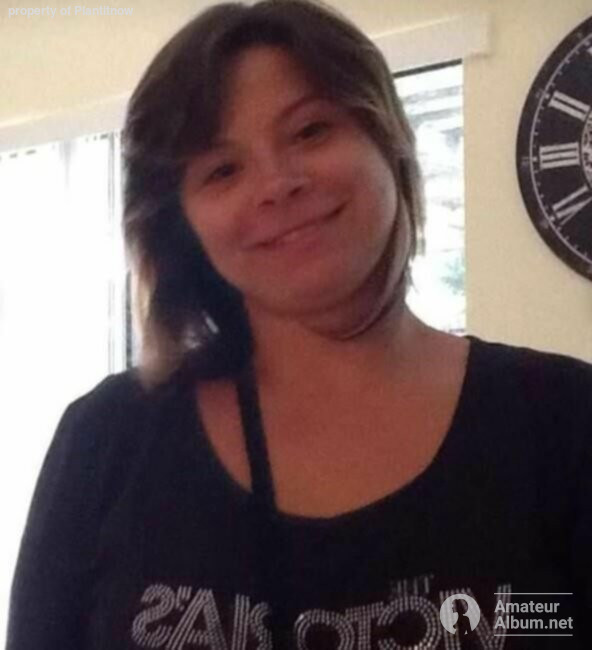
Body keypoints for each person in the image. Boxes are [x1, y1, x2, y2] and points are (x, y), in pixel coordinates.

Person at [6, 1, 592, 648]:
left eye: (311, 131)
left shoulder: (565, 420)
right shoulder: (107, 440)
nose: (277, 184)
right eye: (222, 169)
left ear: (388, 141)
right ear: (181, 224)